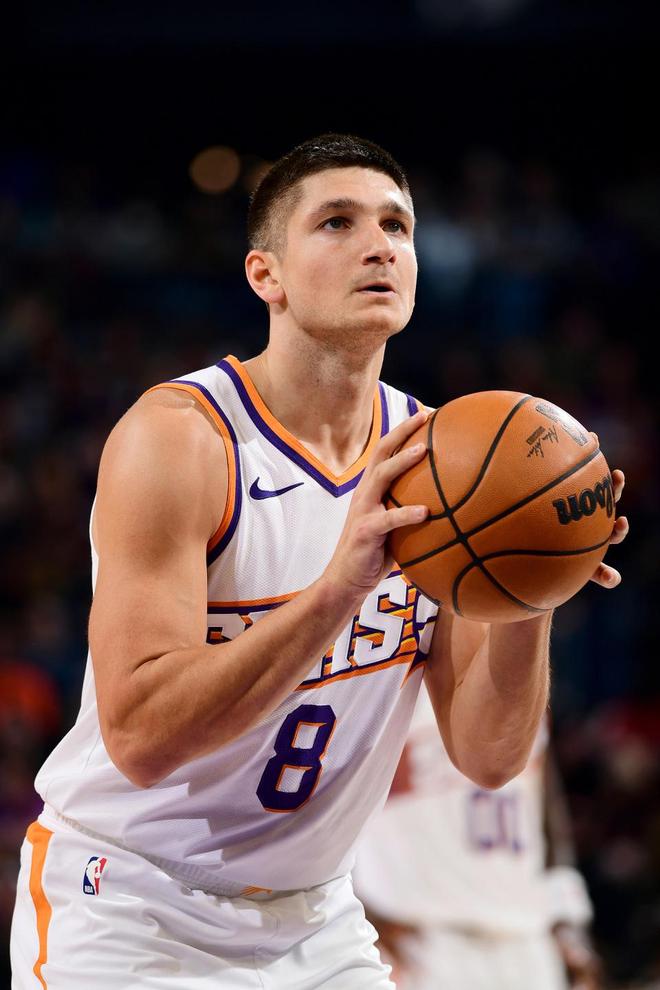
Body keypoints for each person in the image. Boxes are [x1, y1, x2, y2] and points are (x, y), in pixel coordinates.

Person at [9, 133, 628, 989]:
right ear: (266, 274)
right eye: (337, 222)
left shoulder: (446, 466)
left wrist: (535, 587)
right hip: (132, 905)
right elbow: (142, 739)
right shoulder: (182, 440)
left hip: (315, 920)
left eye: (397, 225)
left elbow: (488, 757)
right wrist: (341, 587)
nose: (379, 245)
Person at [353, 683, 603, 990]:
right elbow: (322, 810)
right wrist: (360, 916)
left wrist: (568, 921)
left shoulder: (520, 672)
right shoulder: (377, 675)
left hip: (527, 935)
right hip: (420, 936)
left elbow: (545, 810)